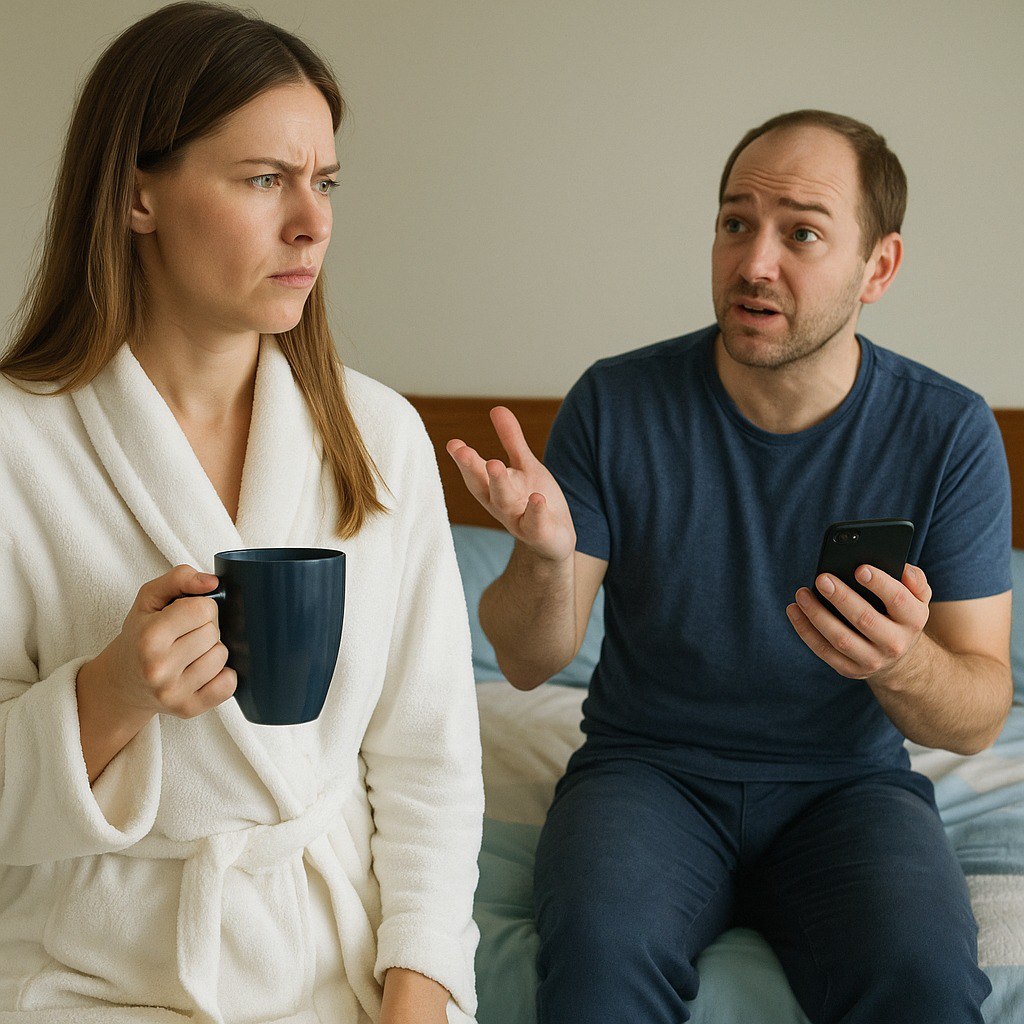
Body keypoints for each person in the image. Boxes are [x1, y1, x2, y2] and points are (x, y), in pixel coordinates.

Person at [447, 109, 1013, 1023]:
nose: (755, 262)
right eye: (735, 222)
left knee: (926, 983)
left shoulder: (947, 431)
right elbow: (523, 661)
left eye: (802, 233)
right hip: (647, 774)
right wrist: (546, 558)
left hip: (848, 785)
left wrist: (901, 660)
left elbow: (981, 714)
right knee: (597, 962)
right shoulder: (615, 401)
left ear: (880, 267)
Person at [0, 4, 482, 1023]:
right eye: (265, 179)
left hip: (333, 969)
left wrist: (421, 989)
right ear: (138, 193)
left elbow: (428, 761)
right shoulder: (17, 443)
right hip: (89, 975)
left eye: (325, 183)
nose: (312, 222)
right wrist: (110, 694)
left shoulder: (378, 435)